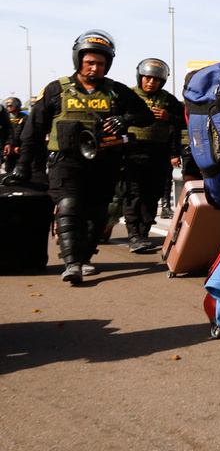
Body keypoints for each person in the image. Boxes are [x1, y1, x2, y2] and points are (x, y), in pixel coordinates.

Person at [13, 30, 155, 284]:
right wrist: (23, 165)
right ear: (78, 60)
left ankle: (85, 257)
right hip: (65, 162)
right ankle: (72, 263)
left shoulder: (117, 91)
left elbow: (146, 116)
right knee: (69, 205)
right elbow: (33, 131)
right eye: (89, 62)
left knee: (97, 212)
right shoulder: (56, 90)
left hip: (104, 163)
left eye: (100, 63)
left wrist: (126, 119)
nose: (94, 68)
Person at [119, 59, 185, 252]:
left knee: (152, 194)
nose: (151, 82)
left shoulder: (168, 100)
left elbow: (184, 121)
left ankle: (143, 232)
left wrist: (169, 117)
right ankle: (134, 234)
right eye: (147, 78)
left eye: (156, 79)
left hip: (158, 153)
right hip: (131, 152)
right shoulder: (128, 95)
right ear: (140, 77)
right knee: (133, 194)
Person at [3, 97, 26, 174]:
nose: (9, 107)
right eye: (8, 106)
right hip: (8, 147)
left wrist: (19, 146)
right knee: (9, 169)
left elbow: (26, 133)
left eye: (11, 105)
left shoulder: (24, 118)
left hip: (20, 147)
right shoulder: (5, 118)